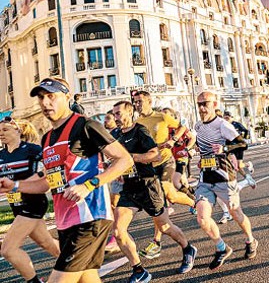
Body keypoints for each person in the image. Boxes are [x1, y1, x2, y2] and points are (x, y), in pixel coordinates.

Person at [0, 77, 133, 283]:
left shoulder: (85, 125)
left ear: (67, 97)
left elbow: (124, 159)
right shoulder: (47, 138)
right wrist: (15, 185)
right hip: (65, 221)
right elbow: (47, 183)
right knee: (87, 279)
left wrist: (90, 185)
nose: (45, 103)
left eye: (51, 96)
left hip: (89, 217)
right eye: (41, 98)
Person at [111, 101, 197, 281]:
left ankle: (188, 248)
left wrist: (130, 158)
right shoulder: (115, 135)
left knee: (165, 227)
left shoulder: (140, 131)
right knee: (118, 231)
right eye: (114, 114)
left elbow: (154, 155)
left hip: (148, 186)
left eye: (118, 114)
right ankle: (139, 270)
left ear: (129, 113)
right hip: (129, 189)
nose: (115, 118)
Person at [194, 91, 259, 271]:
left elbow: (242, 143)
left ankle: (251, 240)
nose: (201, 107)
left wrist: (225, 148)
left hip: (224, 177)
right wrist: (196, 155)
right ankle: (222, 248)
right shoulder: (198, 126)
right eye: (199, 104)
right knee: (202, 217)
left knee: (236, 213)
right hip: (205, 177)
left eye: (205, 103)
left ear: (214, 104)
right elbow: (203, 148)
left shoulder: (222, 124)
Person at [132, 91, 195, 260]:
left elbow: (182, 127)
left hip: (166, 161)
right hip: (149, 166)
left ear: (149, 101)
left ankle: (194, 202)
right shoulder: (136, 123)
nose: (137, 104)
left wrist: (173, 139)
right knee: (159, 203)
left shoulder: (162, 117)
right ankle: (156, 242)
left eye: (140, 101)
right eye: (135, 102)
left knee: (168, 192)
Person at [0, 117, 60, 283]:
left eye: (5, 130)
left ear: (18, 131)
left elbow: (51, 169)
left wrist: (34, 178)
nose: (1, 134)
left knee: (8, 249)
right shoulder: (1, 155)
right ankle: (77, 263)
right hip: (16, 206)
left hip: (34, 203)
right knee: (47, 243)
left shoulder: (32, 150)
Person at [162, 108, 197, 200]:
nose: (164, 116)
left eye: (166, 114)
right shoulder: (162, 130)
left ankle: (193, 200)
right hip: (170, 159)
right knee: (184, 182)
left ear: (172, 117)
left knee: (175, 182)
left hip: (181, 157)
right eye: (162, 114)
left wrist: (187, 149)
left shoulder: (179, 127)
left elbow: (192, 138)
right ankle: (195, 196)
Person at [103, 110, 123, 254]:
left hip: (122, 174)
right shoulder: (108, 135)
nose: (105, 121)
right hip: (113, 174)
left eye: (108, 118)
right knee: (113, 204)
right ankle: (117, 236)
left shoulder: (118, 134)